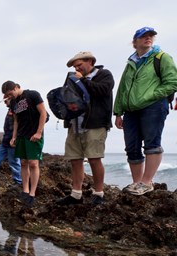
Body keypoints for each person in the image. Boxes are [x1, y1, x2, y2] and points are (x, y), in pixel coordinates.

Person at [114, 27, 177, 195]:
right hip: (130, 110)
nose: (148, 38)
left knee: (152, 144)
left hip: (154, 106)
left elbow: (172, 82)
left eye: (151, 36)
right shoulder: (131, 62)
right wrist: (118, 111)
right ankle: (137, 183)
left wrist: (151, 96)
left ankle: (147, 182)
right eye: (143, 36)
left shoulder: (161, 57)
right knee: (132, 147)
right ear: (135, 42)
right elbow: (122, 88)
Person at [56, 51, 114, 205]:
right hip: (74, 123)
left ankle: (99, 193)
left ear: (90, 61)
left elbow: (103, 91)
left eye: (79, 65)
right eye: (75, 67)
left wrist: (83, 81)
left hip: (95, 123)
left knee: (94, 158)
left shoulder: (104, 74)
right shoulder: (72, 77)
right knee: (75, 160)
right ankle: (76, 194)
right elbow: (66, 97)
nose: (77, 69)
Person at [2, 81, 47, 207]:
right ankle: (25, 190)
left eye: (10, 93)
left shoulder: (32, 95)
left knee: (33, 163)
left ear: (16, 87)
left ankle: (32, 193)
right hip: (21, 135)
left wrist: (39, 132)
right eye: (7, 95)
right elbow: (16, 120)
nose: (9, 97)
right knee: (23, 163)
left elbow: (43, 113)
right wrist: (14, 137)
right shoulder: (13, 103)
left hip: (33, 135)